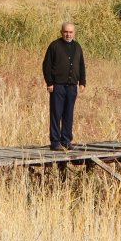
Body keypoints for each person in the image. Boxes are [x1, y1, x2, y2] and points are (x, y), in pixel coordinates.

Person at [42, 22, 86, 151]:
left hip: (72, 86)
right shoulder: (54, 46)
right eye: (66, 32)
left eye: (71, 32)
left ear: (74, 33)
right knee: (56, 114)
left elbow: (81, 65)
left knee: (68, 114)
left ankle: (66, 140)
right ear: (61, 32)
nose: (68, 34)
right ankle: (55, 142)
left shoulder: (77, 47)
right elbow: (46, 66)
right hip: (58, 86)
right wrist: (49, 83)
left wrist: (82, 82)